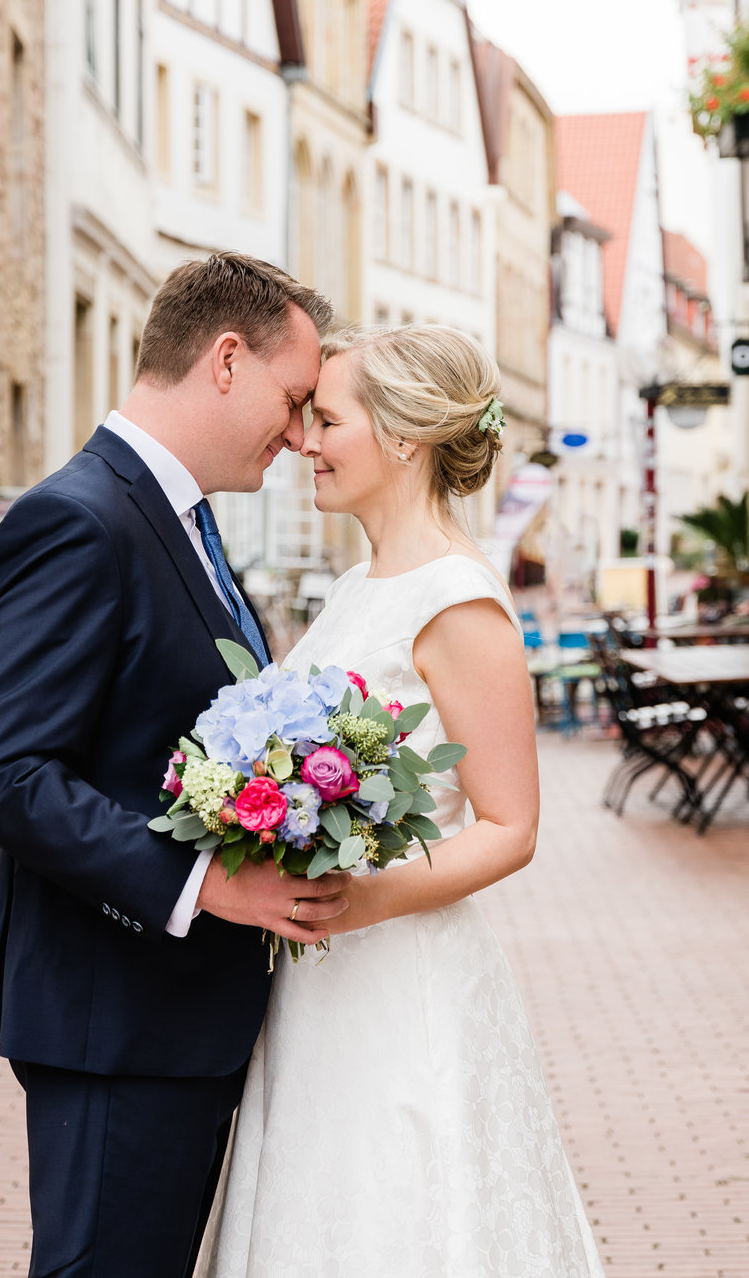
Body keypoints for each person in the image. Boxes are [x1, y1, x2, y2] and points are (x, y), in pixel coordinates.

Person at [0, 252, 353, 1278]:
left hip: (166, 1014)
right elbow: (7, 774)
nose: (300, 434)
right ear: (226, 360)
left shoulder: (181, 519)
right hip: (111, 1012)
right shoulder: (79, 521)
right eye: (294, 399)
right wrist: (206, 883)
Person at [200, 325, 605, 1278]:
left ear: (404, 439)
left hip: (403, 975)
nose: (305, 441)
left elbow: (512, 828)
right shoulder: (354, 586)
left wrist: (366, 897)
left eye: (328, 420)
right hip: (319, 977)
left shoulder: (457, 602)